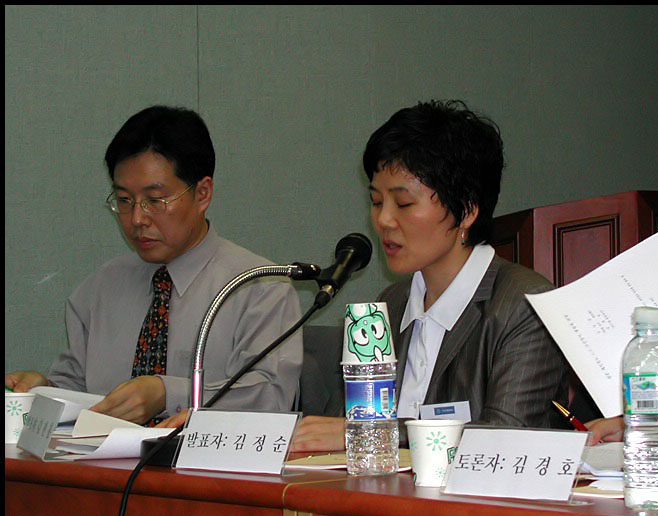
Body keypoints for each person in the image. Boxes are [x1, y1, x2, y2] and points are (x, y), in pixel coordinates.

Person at [290, 100, 569, 452]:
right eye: (376, 202)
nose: (383, 220)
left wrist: (372, 433)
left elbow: (505, 437)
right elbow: (349, 424)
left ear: (466, 211)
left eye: (403, 203)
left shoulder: (524, 304)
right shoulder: (390, 304)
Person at [5, 105, 303, 425]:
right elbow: (75, 390)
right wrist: (42, 392)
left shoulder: (259, 288)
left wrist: (167, 394)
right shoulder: (99, 289)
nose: (137, 219)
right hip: (103, 458)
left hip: (203, 458)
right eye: (124, 200)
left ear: (202, 194)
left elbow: (270, 398)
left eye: (155, 200)